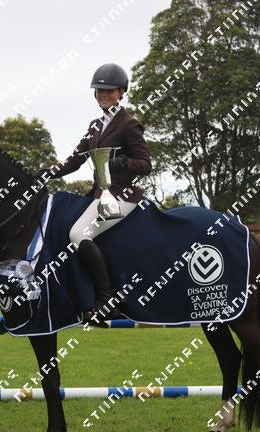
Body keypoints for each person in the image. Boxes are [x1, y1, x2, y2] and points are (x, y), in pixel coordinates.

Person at [41, 63, 152, 325]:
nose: (104, 94)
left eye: (109, 90)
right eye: (100, 90)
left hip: (122, 196)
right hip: (100, 195)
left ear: (121, 92)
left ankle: (106, 299)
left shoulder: (128, 124)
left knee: (78, 234)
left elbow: (146, 165)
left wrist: (122, 162)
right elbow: (75, 160)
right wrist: (44, 173)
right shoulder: (95, 125)